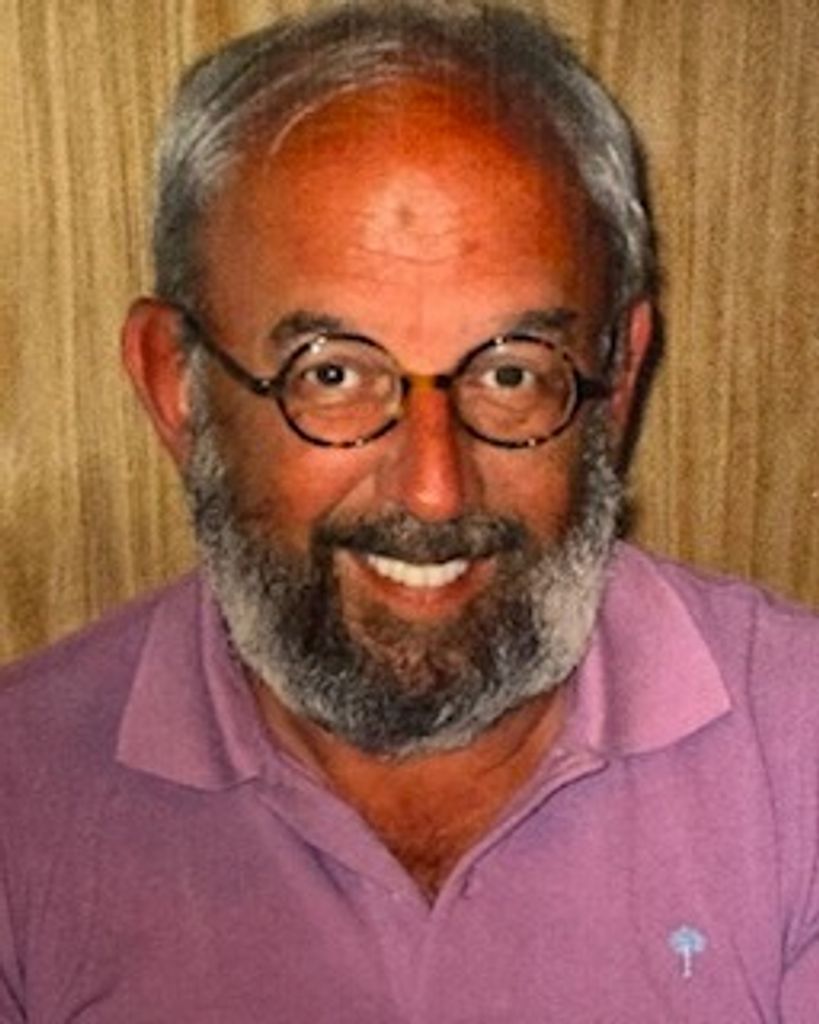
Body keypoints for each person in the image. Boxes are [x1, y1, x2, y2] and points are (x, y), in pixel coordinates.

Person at [1, 2, 818, 1020]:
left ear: (617, 380)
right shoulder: (20, 802)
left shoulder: (799, 754)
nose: (434, 487)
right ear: (179, 387)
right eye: (333, 373)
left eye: (511, 373)